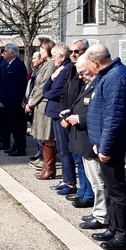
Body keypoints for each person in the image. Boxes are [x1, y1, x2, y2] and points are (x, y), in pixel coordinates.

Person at [84, 44, 126, 250]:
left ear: (95, 62)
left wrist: (104, 148)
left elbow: (113, 117)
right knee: (109, 188)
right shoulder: (108, 74)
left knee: (116, 191)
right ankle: (113, 227)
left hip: (112, 145)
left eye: (89, 63)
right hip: (104, 144)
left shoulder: (115, 77)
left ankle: (124, 235)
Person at [63, 54, 106, 229]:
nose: (81, 76)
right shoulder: (91, 82)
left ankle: (102, 215)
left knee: (99, 181)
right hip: (85, 138)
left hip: (91, 139)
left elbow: (100, 112)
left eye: (83, 72)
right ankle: (98, 211)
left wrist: (79, 117)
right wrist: (71, 111)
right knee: (94, 179)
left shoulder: (100, 82)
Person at [64, 39, 93, 206]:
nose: (73, 55)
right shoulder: (72, 70)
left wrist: (76, 116)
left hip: (81, 122)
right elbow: (64, 93)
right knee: (79, 160)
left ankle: (88, 194)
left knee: (85, 161)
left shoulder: (88, 73)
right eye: (72, 52)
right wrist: (65, 114)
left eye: (77, 51)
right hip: (71, 119)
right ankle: (83, 191)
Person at [44, 43, 73, 187]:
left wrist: (47, 91)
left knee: (64, 149)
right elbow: (47, 88)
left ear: (61, 57)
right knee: (61, 149)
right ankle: (67, 180)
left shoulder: (65, 69)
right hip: (55, 111)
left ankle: (69, 182)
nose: (53, 58)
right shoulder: (60, 69)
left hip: (59, 111)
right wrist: (50, 79)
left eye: (55, 56)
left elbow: (54, 92)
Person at [25, 42, 55, 177]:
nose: (40, 51)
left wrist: (32, 102)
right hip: (39, 104)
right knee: (42, 137)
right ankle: (45, 165)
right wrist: (30, 100)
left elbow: (44, 86)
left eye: (42, 49)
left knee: (47, 136)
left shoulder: (51, 65)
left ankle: (49, 168)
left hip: (45, 104)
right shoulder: (46, 65)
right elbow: (36, 85)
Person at [0, 43, 28, 156]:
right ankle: (15, 146)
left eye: (5, 51)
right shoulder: (8, 65)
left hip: (16, 102)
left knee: (18, 126)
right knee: (13, 126)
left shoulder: (18, 65)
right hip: (9, 102)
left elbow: (20, 85)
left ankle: (20, 148)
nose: (3, 53)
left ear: (12, 53)